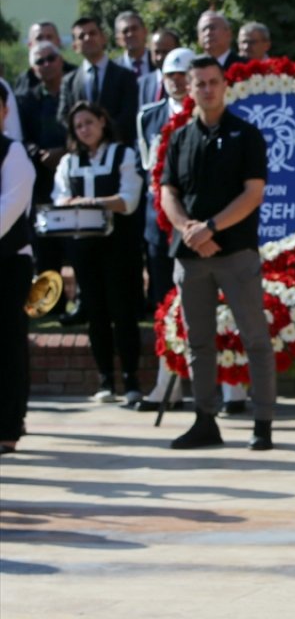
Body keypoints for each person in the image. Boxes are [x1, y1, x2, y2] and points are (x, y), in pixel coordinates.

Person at [159, 55, 275, 450]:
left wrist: (210, 228)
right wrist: (189, 230)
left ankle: (262, 423)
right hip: (191, 256)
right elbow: (168, 192)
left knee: (254, 338)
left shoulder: (247, 135)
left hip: (236, 252)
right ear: (188, 89)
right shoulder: (179, 138)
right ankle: (205, 420)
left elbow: (253, 193)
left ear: (225, 85)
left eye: (213, 81)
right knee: (199, 342)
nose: (207, 89)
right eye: (199, 83)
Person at [51, 102, 145, 403]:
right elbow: (59, 197)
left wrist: (94, 202)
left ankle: (131, 381)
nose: (84, 130)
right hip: (84, 249)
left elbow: (129, 200)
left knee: (124, 312)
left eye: (89, 122)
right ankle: (105, 379)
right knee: (96, 313)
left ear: (103, 121)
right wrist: (71, 203)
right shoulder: (68, 161)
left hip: (119, 247)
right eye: (78, 126)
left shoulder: (124, 154)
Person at [131, 48, 196, 413]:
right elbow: (147, 168)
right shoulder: (148, 117)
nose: (177, 81)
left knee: (210, 303)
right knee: (163, 303)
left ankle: (228, 387)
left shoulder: (206, 112)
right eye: (170, 75)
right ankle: (166, 384)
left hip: (199, 220)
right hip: (159, 223)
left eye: (182, 74)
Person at [15, 42, 71, 319]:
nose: (46, 64)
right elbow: (21, 138)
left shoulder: (74, 91)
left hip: (74, 181)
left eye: (51, 58)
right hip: (40, 183)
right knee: (45, 249)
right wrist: (40, 154)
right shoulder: (26, 99)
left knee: (78, 247)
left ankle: (81, 306)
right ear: (34, 68)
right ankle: (50, 307)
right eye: (40, 61)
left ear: (61, 60)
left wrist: (66, 152)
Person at [0, 82, 37, 454]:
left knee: (8, 343)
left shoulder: (13, 153)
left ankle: (8, 425)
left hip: (8, 262)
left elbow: (10, 209)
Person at [58, 17, 139, 146]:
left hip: (118, 150)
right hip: (84, 153)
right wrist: (85, 136)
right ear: (75, 46)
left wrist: (103, 137)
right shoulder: (69, 82)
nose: (88, 38)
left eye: (92, 33)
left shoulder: (125, 76)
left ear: (103, 38)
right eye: (81, 36)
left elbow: (128, 114)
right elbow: (63, 116)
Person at [138, 29, 179, 104]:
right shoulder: (142, 84)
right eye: (157, 52)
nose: (160, 57)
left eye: (165, 52)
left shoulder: (186, 82)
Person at [113, 11, 153, 82]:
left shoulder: (158, 61)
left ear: (145, 31)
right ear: (118, 39)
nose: (130, 34)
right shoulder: (112, 69)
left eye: (134, 29)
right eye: (125, 31)